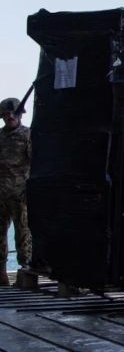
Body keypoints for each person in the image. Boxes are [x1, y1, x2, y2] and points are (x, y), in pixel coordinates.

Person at [0, 98, 32, 285]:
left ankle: (25, 271)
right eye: (6, 114)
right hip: (1, 195)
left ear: (20, 114)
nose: (10, 117)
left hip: (20, 195)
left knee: (23, 233)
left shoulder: (28, 135)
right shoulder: (0, 136)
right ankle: (1, 274)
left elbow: (35, 163)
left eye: (13, 113)